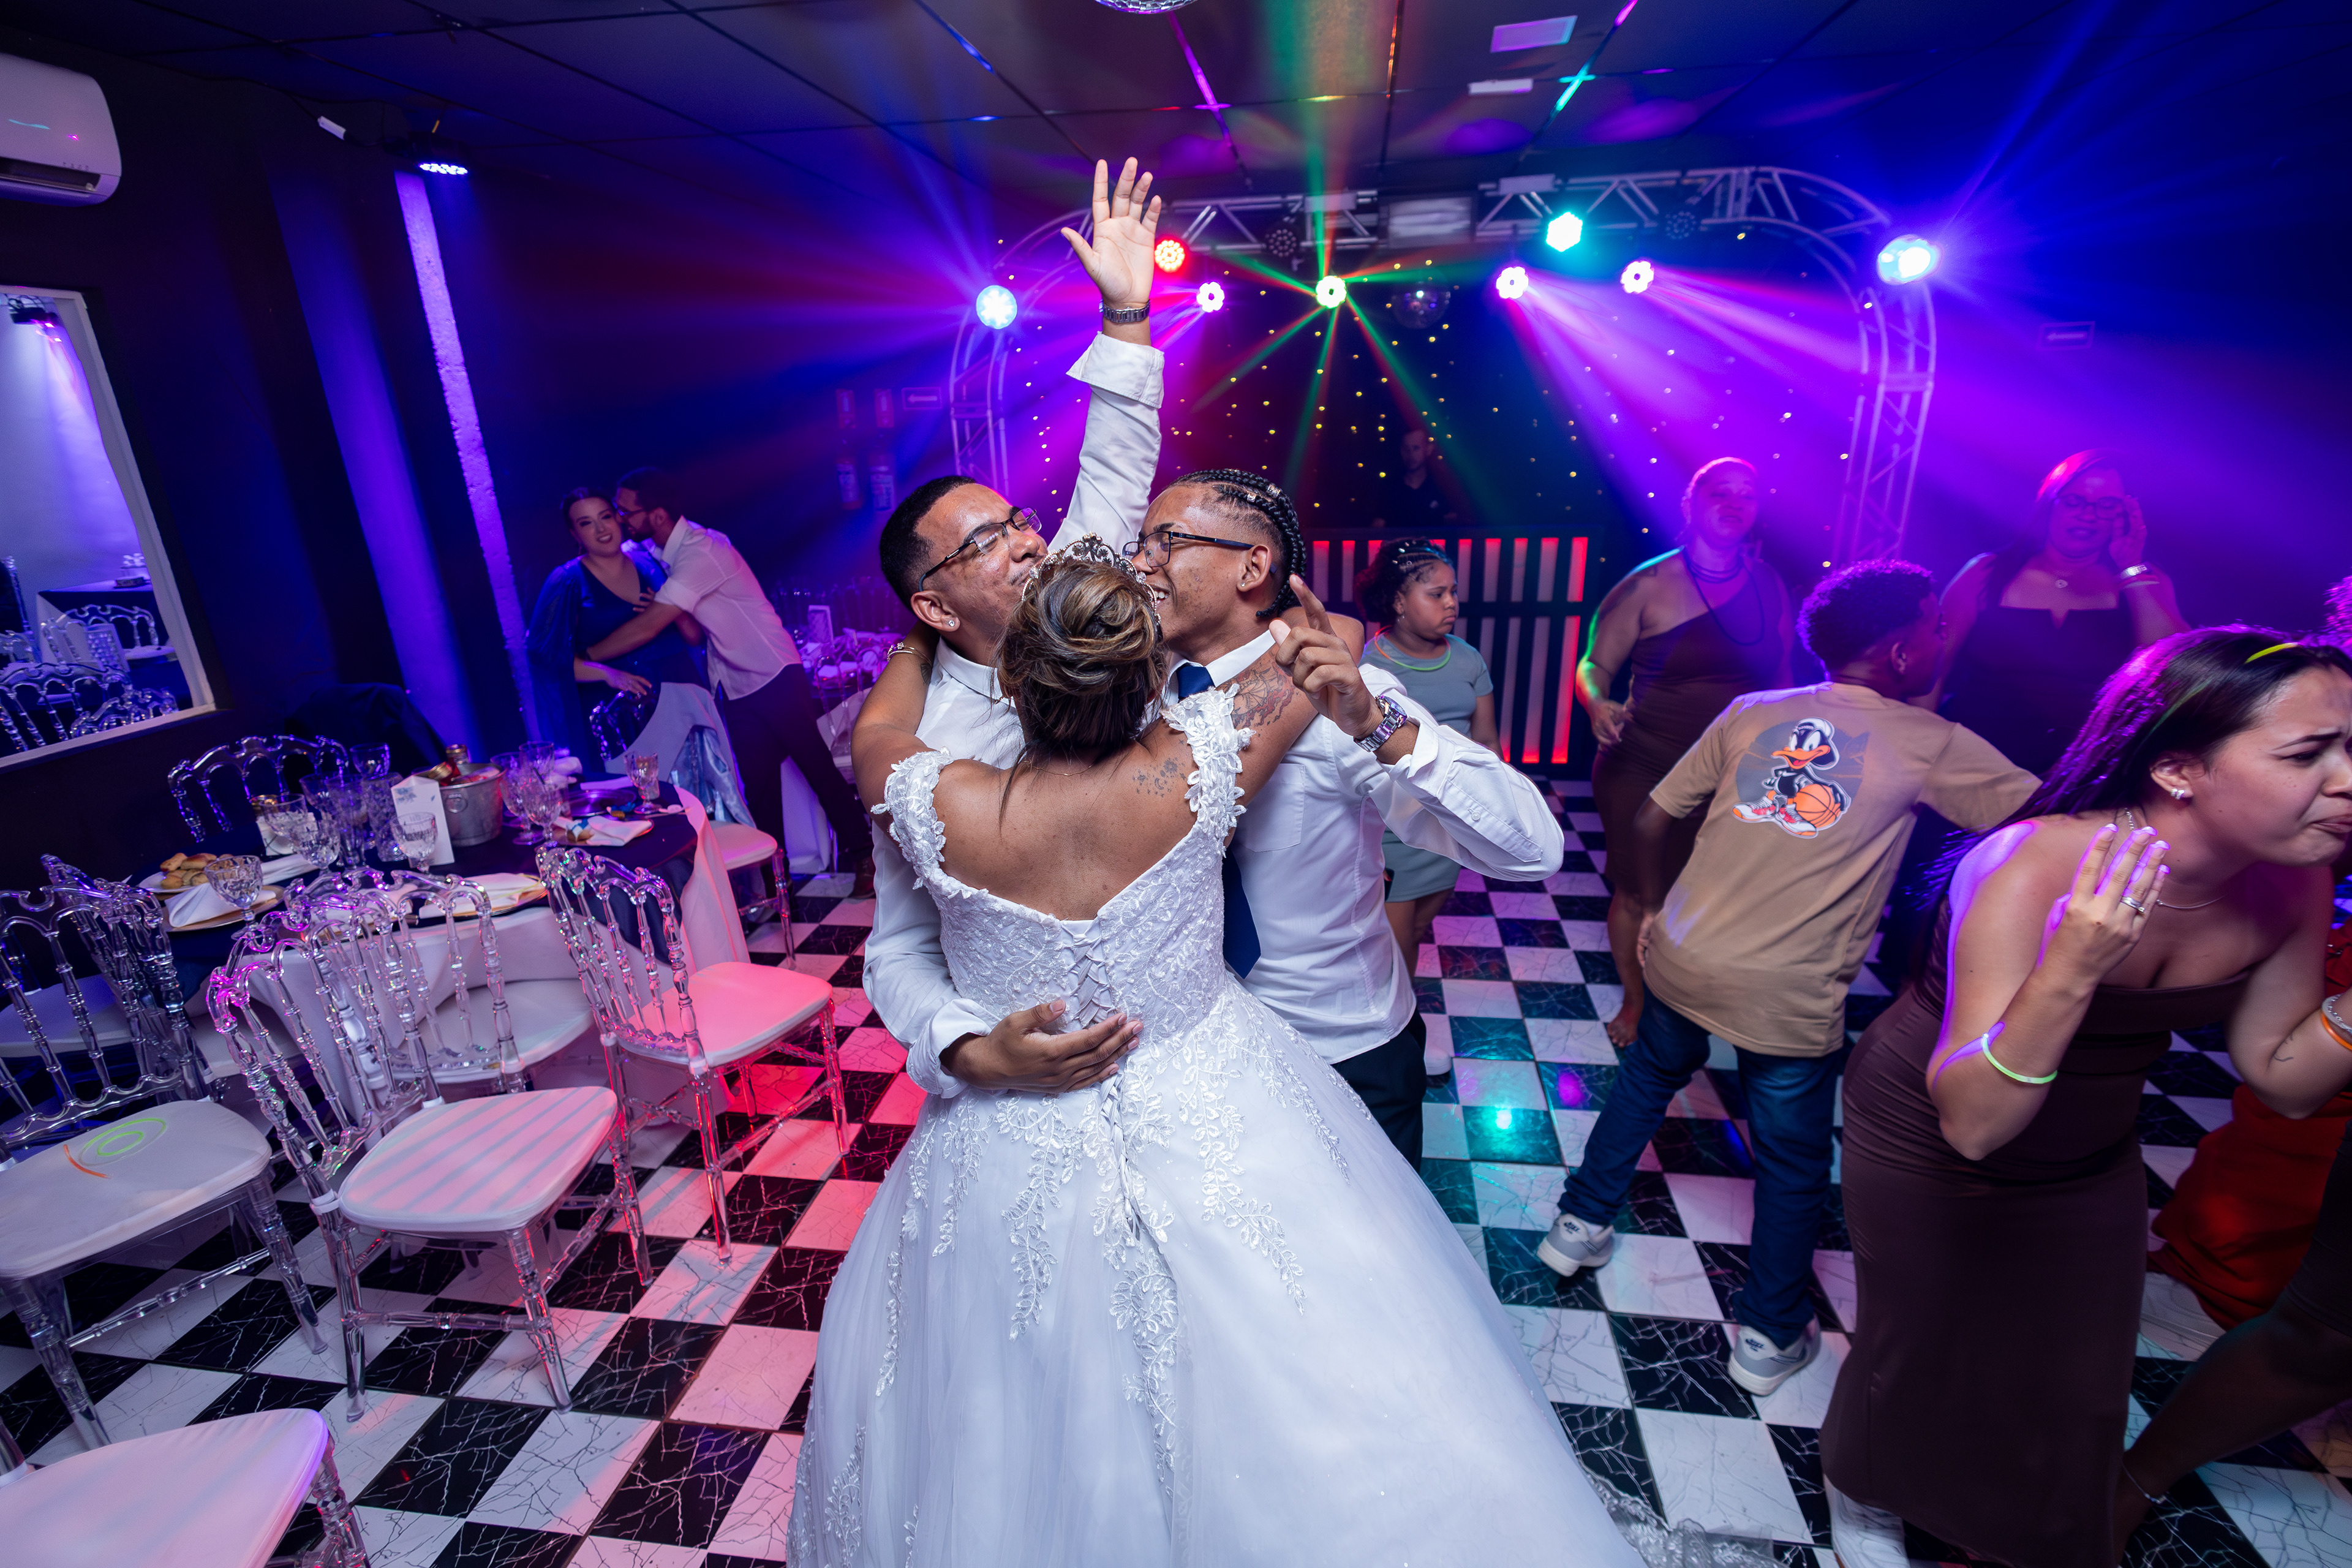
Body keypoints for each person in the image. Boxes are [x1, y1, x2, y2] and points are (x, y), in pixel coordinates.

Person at [791, 545, 1644, 1567]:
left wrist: (920, 636)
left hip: (1010, 1146)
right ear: (1148, 675)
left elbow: (877, 733)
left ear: (1013, 682)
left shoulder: (934, 799)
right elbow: (1324, 647)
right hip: (1220, 1103)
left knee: (1004, 1408)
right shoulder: (1204, 757)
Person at [1819, 628, 2352, 1568]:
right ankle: (1866, 1487)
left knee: (2074, 1367)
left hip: (2090, 1147)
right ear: (2179, 770)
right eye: (2309, 753)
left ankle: (2026, 1529)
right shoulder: (2031, 864)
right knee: (1922, 1340)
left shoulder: (2295, 884)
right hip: (1935, 1128)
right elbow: (1976, 1124)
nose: (2347, 779)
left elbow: (2284, 1076)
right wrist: (2071, 966)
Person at [1538, 560, 2036, 1402]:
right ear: (1903, 652)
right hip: (1787, 988)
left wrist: (1652, 907)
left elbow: (1652, 816)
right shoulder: (1932, 742)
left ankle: (1577, 1225)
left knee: (1647, 1080)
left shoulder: (1753, 710)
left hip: (1687, 952)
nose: (1943, 637)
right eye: (1936, 626)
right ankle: (1770, 1333)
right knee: (1793, 1158)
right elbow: (2043, 827)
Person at [1128, 470, 1563, 1164]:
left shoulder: (1343, 695)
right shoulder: (1140, 698)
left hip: (1340, 1047)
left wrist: (1374, 725)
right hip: (1198, 1055)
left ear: (1252, 567)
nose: (1141, 562)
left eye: (1166, 542)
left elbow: (1533, 850)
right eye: (1139, 544)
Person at [859, 156, 1172, 1114]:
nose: (1028, 541)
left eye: (1017, 521)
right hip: (1027, 1079)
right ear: (934, 608)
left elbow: (1116, 462)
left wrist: (1126, 312)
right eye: (985, 543)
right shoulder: (923, 742)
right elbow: (898, 946)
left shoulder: (1072, 589)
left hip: (1171, 1027)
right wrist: (965, 1052)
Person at [1883, 450, 2194, 973]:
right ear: (2049, 503)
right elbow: (1931, 672)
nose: (2088, 515)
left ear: (2124, 515)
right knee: (1936, 905)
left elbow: (2171, 667)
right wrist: (1917, 759)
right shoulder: (1988, 573)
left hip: (2080, 778)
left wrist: (2132, 567)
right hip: (1977, 767)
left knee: (2038, 910)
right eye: (2075, 501)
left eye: (2105, 506)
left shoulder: (2141, 581)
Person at [1577, 456, 1792, 1045]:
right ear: (1690, 504)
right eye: (1721, 491)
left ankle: (1689, 996)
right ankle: (1636, 1002)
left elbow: (1782, 678)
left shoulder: (1769, 584)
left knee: (1708, 892)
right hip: (1644, 761)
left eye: (1747, 493)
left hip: (1734, 769)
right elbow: (1594, 665)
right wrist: (1598, 704)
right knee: (1639, 889)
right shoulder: (1648, 584)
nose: (1735, 502)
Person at [584, 466, 872, 872]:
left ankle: (865, 860)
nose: (620, 519)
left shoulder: (700, 552)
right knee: (759, 789)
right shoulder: (666, 554)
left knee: (817, 769)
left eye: (625, 511)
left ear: (658, 515)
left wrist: (587, 654)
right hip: (735, 684)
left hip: (773, 672)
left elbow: (649, 627)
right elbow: (692, 634)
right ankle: (775, 885)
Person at [1357, 538, 1498, 970]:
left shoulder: (1468, 660)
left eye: (1453, 591)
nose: (1451, 602)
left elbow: (1487, 742)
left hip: (1451, 825)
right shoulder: (1369, 667)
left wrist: (1484, 817)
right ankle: (1405, 1014)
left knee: (1417, 931)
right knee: (1394, 955)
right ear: (1399, 601)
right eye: (1436, 594)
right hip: (1393, 831)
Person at [524, 488, 707, 774]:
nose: (601, 529)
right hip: (619, 715)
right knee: (641, 792)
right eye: (586, 523)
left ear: (618, 518)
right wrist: (607, 674)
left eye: (606, 517)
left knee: (698, 785)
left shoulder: (649, 562)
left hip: (679, 694)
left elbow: (692, 633)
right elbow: (544, 658)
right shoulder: (566, 581)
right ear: (574, 533)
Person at [1371, 423, 1458, 532]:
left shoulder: (1442, 488)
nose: (1410, 454)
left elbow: (1453, 527)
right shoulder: (1390, 489)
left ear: (1428, 450)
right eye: (1406, 449)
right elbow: (1377, 528)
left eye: (1416, 448)